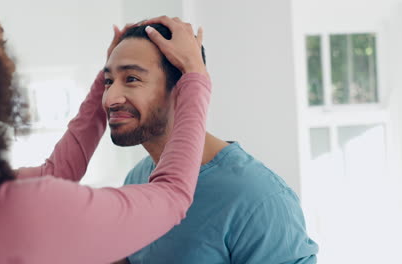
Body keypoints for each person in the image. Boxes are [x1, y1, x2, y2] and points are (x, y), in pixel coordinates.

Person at [0, 1, 211, 263]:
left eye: (130, 79)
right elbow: (171, 195)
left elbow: (55, 172)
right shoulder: (24, 211)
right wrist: (195, 77)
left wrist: (104, 78)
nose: (9, 63)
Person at [103, 17, 319, 263]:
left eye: (131, 79)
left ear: (183, 89)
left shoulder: (259, 199)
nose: (110, 97)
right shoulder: (137, 179)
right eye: (108, 81)